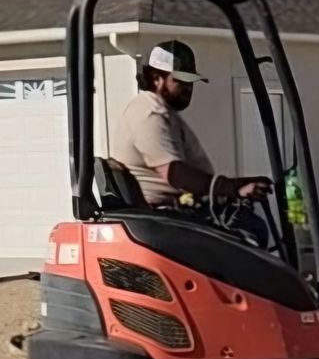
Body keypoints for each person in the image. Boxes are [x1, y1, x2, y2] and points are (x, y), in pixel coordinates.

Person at [110, 40, 272, 247]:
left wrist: (236, 185)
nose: (188, 87)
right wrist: (231, 188)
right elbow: (175, 174)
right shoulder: (151, 115)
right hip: (166, 219)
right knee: (249, 233)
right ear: (156, 78)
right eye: (181, 80)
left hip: (177, 213)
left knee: (250, 227)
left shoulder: (158, 111)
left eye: (191, 81)